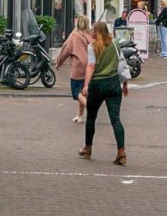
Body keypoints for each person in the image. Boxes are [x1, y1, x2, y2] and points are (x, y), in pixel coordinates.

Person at [78, 21, 128, 165]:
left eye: (93, 30)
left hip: (97, 85)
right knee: (116, 119)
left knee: (91, 118)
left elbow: (91, 66)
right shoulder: (115, 44)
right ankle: (121, 151)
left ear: (96, 32)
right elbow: (122, 65)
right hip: (113, 84)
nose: (91, 32)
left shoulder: (92, 47)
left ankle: (88, 148)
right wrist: (125, 84)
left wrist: (86, 85)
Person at [55, 15, 93, 122]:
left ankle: (90, 107)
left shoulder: (74, 35)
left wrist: (58, 63)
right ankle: (80, 116)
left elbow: (65, 50)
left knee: (76, 92)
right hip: (90, 67)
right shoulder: (91, 35)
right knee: (83, 92)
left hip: (78, 68)